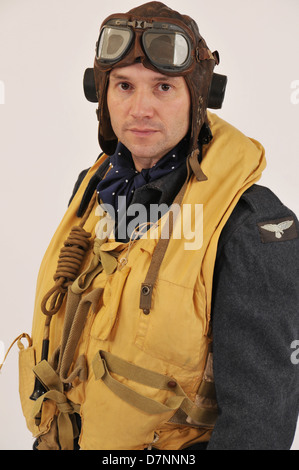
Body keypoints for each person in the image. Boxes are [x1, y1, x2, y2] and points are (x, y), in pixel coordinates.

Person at [18, 1, 299, 450]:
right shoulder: (94, 191)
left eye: (164, 88)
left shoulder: (250, 224)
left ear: (198, 98)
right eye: (124, 85)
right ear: (102, 93)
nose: (139, 108)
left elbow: (260, 424)